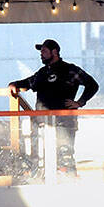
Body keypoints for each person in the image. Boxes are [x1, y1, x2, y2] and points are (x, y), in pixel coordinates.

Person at [8, 39, 99, 176]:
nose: (41, 54)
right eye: (41, 52)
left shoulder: (70, 69)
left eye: (44, 51)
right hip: (42, 122)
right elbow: (28, 83)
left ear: (54, 52)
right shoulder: (42, 73)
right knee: (43, 157)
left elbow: (92, 85)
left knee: (65, 155)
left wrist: (80, 102)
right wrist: (14, 84)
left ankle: (69, 184)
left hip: (64, 122)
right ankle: (44, 182)